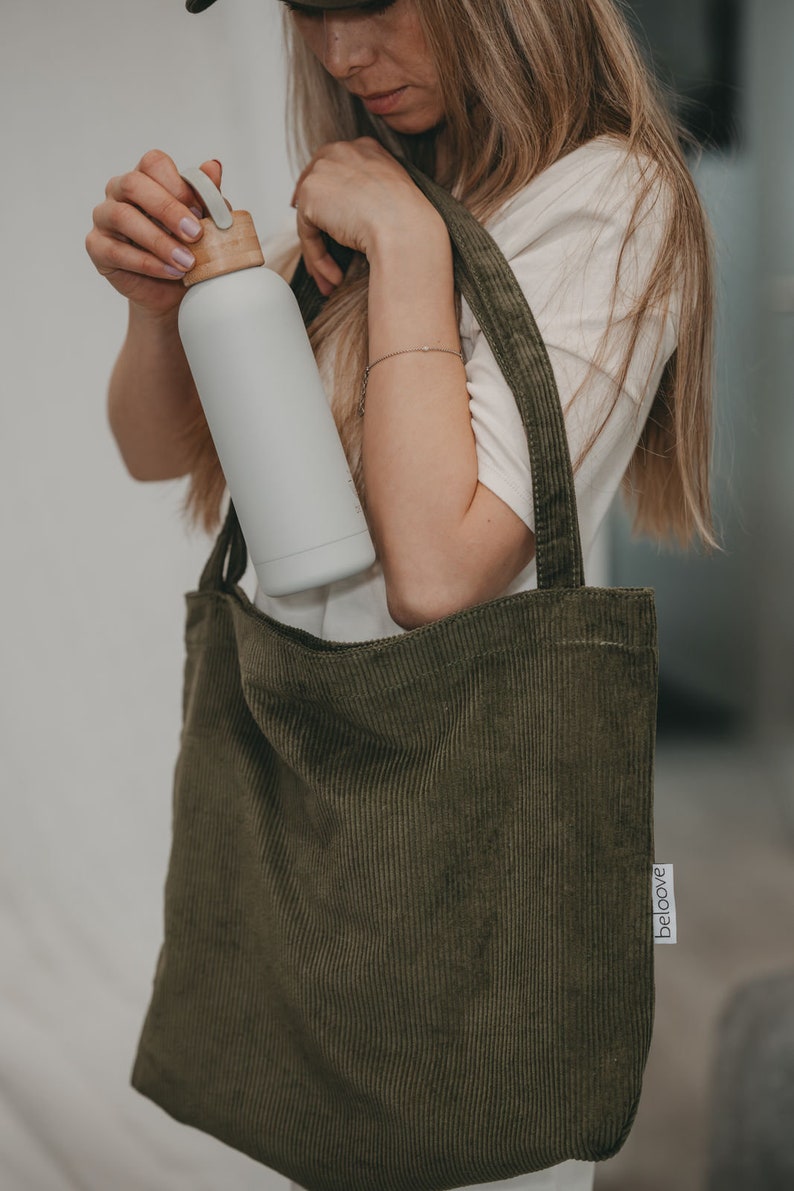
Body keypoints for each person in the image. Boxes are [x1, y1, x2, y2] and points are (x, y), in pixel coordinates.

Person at [86, 0, 714, 1187]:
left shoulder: (609, 201)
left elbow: (435, 575)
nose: (338, 55)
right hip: (319, 884)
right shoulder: (392, 182)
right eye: (308, 13)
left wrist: (415, 247)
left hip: (469, 918)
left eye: (368, 5)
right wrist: (159, 308)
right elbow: (156, 452)